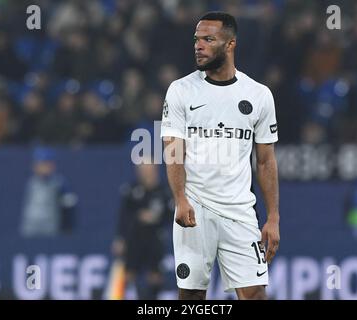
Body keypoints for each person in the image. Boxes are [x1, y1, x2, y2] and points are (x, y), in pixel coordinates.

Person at [160, 12, 280, 300]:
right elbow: (173, 150)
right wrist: (180, 198)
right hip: (195, 208)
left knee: (255, 295)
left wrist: (273, 217)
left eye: (208, 39)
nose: (198, 45)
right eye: (196, 39)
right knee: (190, 297)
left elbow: (265, 161)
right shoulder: (181, 90)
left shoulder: (259, 95)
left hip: (240, 212)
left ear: (230, 44)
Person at [112, 161, 174, 299]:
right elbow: (124, 217)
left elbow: (171, 216)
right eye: (141, 170)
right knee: (129, 273)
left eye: (147, 170)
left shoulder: (164, 191)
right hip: (134, 239)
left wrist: (156, 218)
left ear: (155, 170)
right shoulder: (131, 190)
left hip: (155, 238)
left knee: (155, 274)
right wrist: (120, 238)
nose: (144, 173)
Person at [20, 147, 77, 237]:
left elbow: (69, 206)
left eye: (45, 164)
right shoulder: (31, 183)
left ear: (52, 165)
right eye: (39, 164)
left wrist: (67, 227)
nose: (42, 167)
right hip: (30, 228)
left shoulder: (59, 183)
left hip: (50, 230)